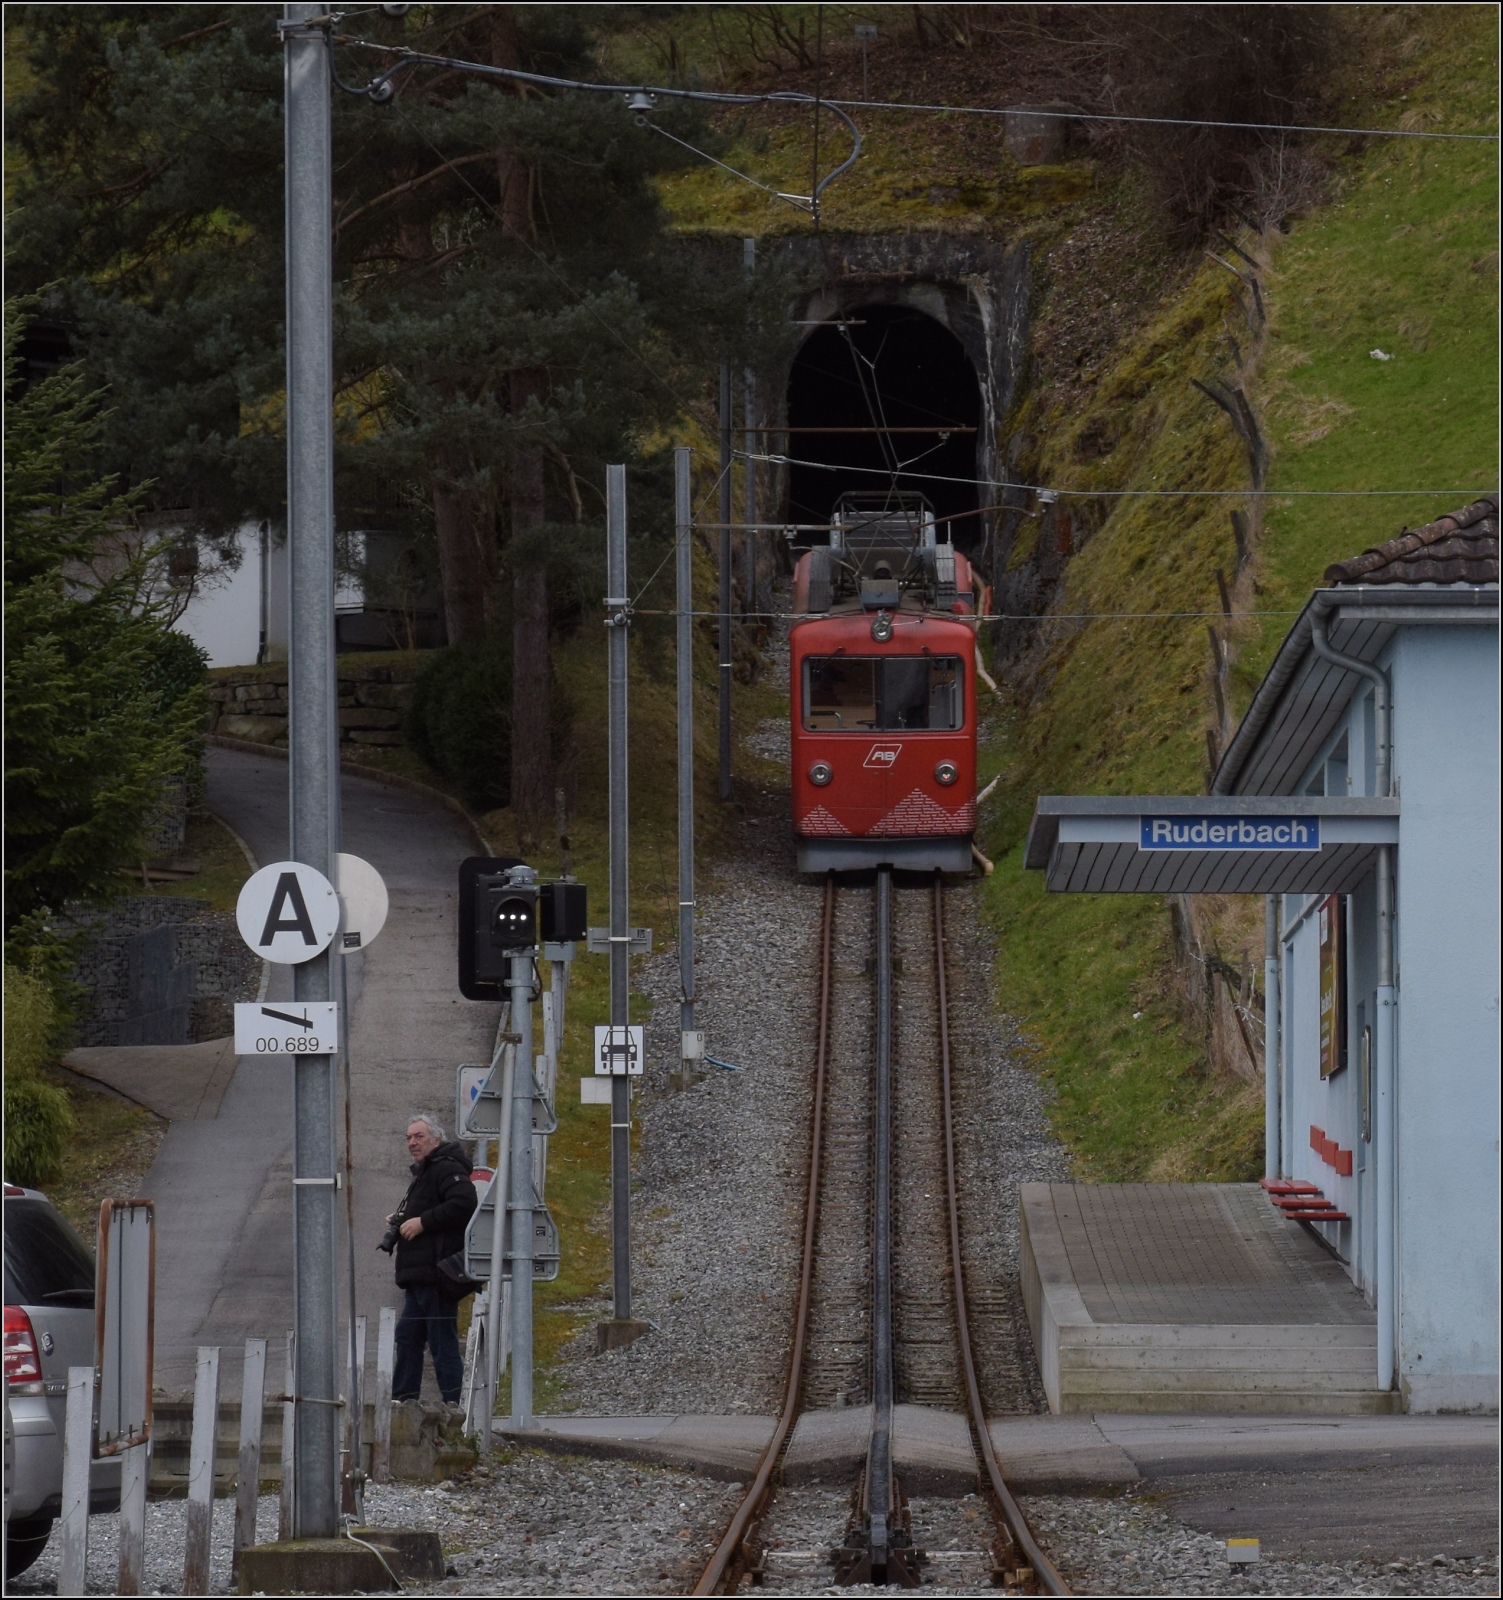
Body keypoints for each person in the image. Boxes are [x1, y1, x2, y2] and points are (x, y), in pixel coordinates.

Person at [388, 1114, 478, 1404]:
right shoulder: (426, 1173)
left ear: (436, 1140)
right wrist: (402, 1220)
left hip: (437, 1275)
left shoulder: (445, 1168)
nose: (412, 1143)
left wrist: (422, 1223)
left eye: (419, 1136)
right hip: (421, 1277)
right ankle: (404, 1403)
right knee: (408, 1338)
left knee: (441, 1341)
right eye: (408, 1138)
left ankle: (455, 1406)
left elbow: (465, 1202)